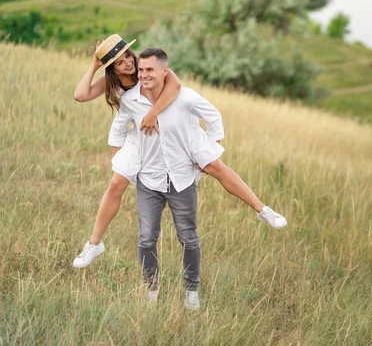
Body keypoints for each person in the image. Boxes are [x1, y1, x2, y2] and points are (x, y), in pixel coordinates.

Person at [72, 35, 287, 269]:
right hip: (143, 137)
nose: (127, 63)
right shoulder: (111, 81)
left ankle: (261, 209)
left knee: (215, 166)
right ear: (112, 68)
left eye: (127, 55)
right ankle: (94, 243)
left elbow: (175, 86)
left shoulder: (149, 68)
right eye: (119, 61)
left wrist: (153, 113)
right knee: (115, 183)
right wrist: (95, 65)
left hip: (175, 127)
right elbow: (81, 96)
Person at [108, 48, 228, 309]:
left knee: (188, 237)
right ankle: (151, 290)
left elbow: (214, 117)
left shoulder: (184, 97)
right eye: (140, 70)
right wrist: (120, 163)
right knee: (146, 237)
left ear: (165, 71)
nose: (143, 74)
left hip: (181, 179)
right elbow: (117, 130)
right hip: (148, 181)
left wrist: (210, 150)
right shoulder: (131, 101)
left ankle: (191, 291)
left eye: (149, 69)